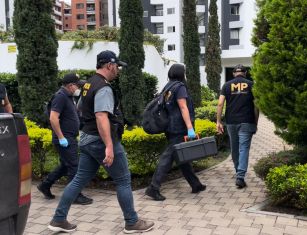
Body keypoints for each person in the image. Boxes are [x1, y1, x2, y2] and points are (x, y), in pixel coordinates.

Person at [48, 50, 154, 233]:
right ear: (109, 65)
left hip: (87, 138)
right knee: (123, 180)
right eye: (117, 66)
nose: (118, 70)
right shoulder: (103, 87)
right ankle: (132, 222)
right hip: (99, 140)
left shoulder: (89, 83)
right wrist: (109, 146)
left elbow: (81, 109)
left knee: (78, 179)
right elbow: (101, 116)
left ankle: (58, 219)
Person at [145, 63, 206, 201]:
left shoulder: (168, 87)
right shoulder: (180, 87)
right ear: (181, 73)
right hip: (178, 127)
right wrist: (190, 128)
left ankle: (195, 184)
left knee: (181, 156)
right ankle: (153, 188)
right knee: (168, 157)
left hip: (169, 126)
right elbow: (183, 108)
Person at [37, 73, 93, 205]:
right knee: (74, 166)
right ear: (70, 85)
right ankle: (74, 195)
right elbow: (53, 118)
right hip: (65, 139)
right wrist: (61, 137)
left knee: (65, 166)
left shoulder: (68, 96)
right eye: (77, 85)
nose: (78, 88)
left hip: (69, 137)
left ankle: (45, 185)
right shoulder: (61, 97)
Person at [216, 64, 259, 188]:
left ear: (234, 73)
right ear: (245, 73)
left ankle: (238, 172)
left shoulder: (226, 85)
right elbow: (256, 106)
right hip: (247, 121)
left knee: (234, 148)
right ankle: (240, 177)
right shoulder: (251, 85)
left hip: (231, 121)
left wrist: (218, 121)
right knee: (243, 148)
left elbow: (220, 104)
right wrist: (255, 122)